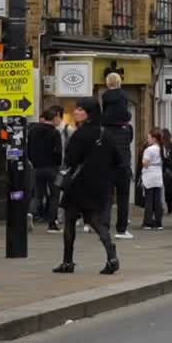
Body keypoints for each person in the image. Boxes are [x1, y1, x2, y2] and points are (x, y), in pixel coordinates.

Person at [54, 97, 121, 275]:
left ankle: (67, 262)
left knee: (69, 220)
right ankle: (111, 254)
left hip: (78, 184)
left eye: (80, 109)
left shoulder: (80, 134)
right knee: (95, 220)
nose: (76, 112)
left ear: (89, 113)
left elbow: (70, 159)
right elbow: (117, 160)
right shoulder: (105, 134)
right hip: (99, 185)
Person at [100, 71, 135, 240]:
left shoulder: (104, 129)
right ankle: (121, 229)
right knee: (123, 197)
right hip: (123, 163)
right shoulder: (127, 128)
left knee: (106, 196)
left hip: (106, 163)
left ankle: (104, 225)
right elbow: (129, 141)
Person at [28, 106, 65, 233]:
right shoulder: (55, 132)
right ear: (54, 118)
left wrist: (33, 162)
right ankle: (52, 225)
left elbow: (28, 149)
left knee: (38, 195)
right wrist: (58, 164)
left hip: (37, 168)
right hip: (52, 168)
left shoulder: (32, 131)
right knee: (54, 196)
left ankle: (30, 214)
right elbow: (59, 152)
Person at [140, 129, 166, 230]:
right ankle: (158, 222)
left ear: (154, 139)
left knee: (149, 200)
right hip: (158, 175)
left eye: (149, 138)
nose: (147, 140)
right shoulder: (161, 148)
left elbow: (145, 163)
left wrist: (144, 162)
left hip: (149, 175)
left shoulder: (149, 150)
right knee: (157, 200)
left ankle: (147, 222)